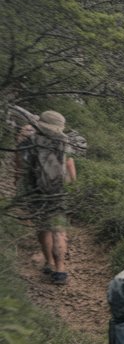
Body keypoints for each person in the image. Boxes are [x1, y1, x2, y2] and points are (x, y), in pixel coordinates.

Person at [13, 108, 77, 285]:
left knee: (43, 227)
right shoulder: (63, 143)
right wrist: (70, 186)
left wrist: (17, 185)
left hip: (35, 191)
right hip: (57, 191)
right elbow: (71, 169)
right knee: (58, 230)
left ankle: (48, 262)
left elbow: (20, 167)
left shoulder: (28, 141)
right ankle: (60, 270)